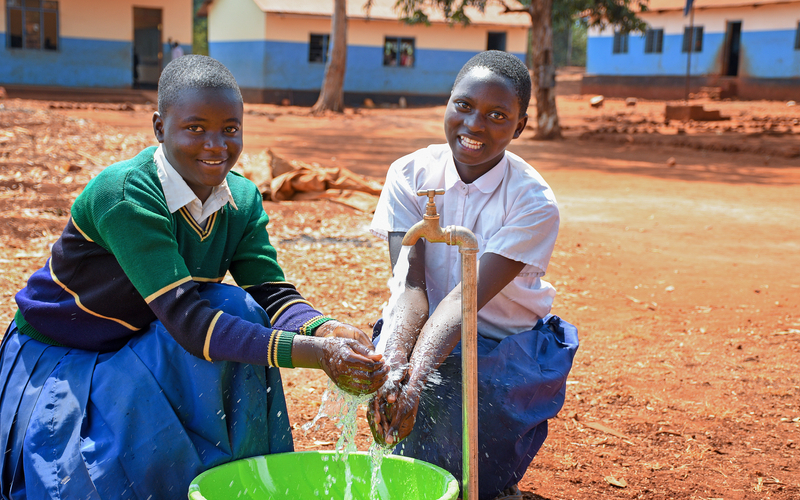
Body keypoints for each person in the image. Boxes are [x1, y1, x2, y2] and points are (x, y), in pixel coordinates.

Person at [0, 55, 387, 499]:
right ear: (159, 127)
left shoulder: (240, 197)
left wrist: (327, 330)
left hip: (145, 338)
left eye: (230, 129)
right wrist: (317, 354)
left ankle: (234, 482)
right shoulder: (126, 195)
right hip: (69, 354)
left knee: (239, 307)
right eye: (195, 128)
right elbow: (189, 321)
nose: (216, 145)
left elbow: (271, 293)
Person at [367, 50, 579, 500]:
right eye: (463, 105)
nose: (474, 125)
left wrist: (417, 380)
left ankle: (490, 483)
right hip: (422, 321)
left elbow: (465, 301)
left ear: (519, 127)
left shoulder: (532, 201)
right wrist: (396, 374)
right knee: (381, 378)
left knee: (460, 397)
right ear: (448, 102)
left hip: (500, 341)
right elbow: (411, 289)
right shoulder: (410, 174)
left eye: (497, 115)